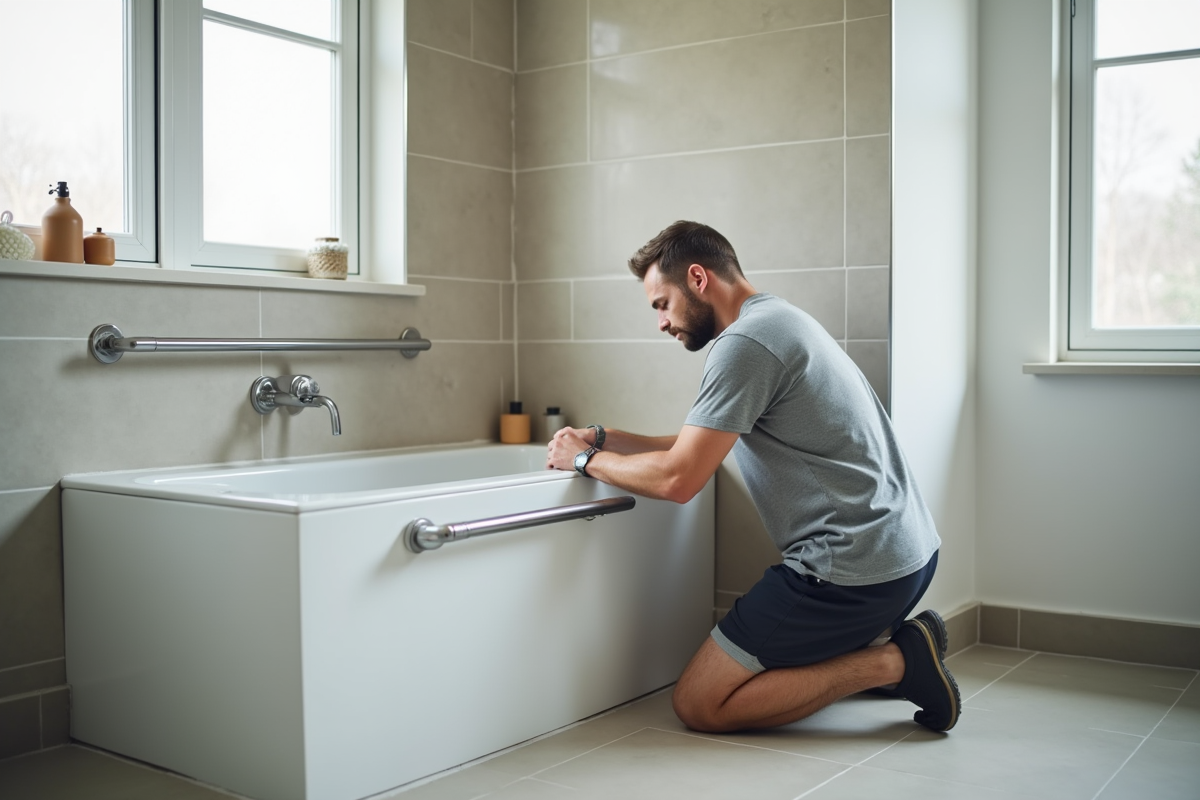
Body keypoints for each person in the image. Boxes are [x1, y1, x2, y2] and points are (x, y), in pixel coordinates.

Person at [545, 221, 961, 734]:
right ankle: (875, 645)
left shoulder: (745, 343)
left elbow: (680, 480)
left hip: (851, 570)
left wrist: (583, 463)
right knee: (773, 670)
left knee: (700, 703)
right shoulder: (778, 320)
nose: (661, 323)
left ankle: (896, 661)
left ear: (698, 279)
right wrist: (603, 438)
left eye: (661, 304)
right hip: (907, 554)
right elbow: (692, 443)